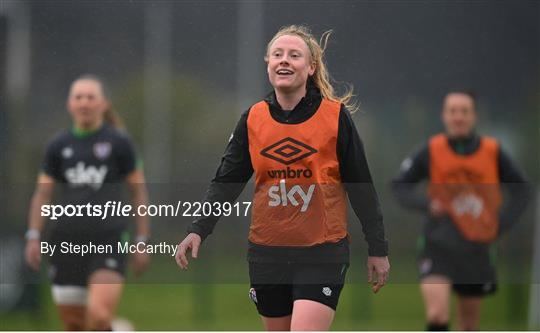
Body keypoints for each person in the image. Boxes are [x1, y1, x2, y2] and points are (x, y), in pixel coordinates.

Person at [175, 25, 390, 331]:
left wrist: (377, 248)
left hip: (322, 252)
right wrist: (198, 229)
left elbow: (362, 189)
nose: (284, 60)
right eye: (277, 54)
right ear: (268, 64)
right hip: (267, 254)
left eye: (294, 55)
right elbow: (226, 182)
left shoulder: (335, 117)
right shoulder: (253, 119)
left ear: (311, 67)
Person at [391, 90, 530, 330]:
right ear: (444, 116)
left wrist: (500, 224)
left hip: (476, 246)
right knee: (437, 315)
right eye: (452, 111)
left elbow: (522, 191)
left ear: (474, 116)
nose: (458, 117)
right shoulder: (432, 150)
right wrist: (427, 205)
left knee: (468, 325)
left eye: (464, 111)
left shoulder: (492, 152)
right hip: (438, 245)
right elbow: (399, 186)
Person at [25, 74, 150, 331]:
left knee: (99, 315)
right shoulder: (58, 146)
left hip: (109, 240)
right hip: (66, 242)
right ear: (69, 104)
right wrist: (34, 235)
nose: (84, 102)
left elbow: (138, 193)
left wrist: (141, 241)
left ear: (104, 104)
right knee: (75, 325)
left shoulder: (119, 143)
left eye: (90, 97)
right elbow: (43, 194)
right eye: (78, 97)